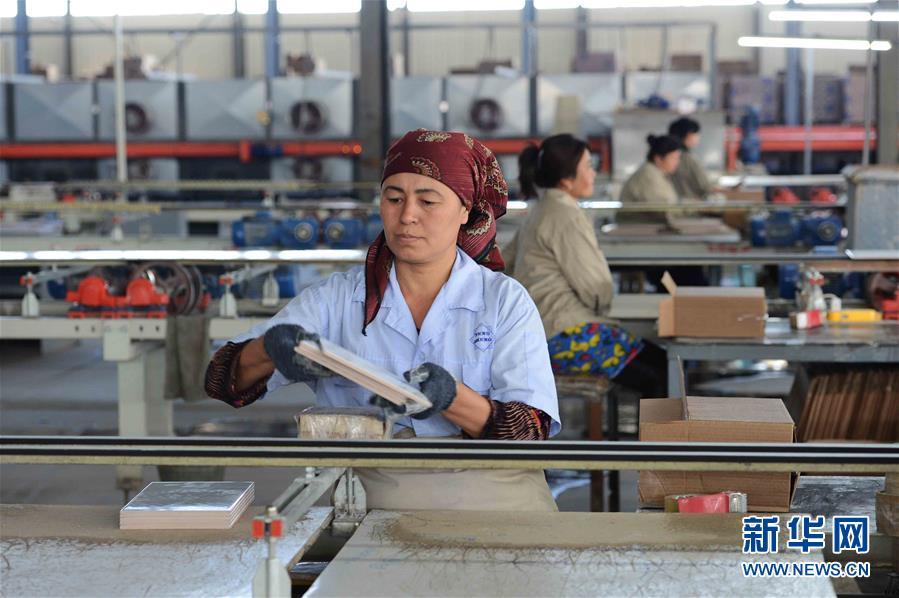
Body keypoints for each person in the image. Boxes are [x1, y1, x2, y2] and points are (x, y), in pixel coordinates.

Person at [205, 129, 560, 512]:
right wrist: (269, 351)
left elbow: (530, 430)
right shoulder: (336, 300)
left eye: (427, 201)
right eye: (394, 198)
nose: (407, 215)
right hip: (376, 501)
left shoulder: (503, 301)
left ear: (465, 211)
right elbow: (221, 381)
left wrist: (451, 398)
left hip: (498, 497)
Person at [503, 133, 668, 399]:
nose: (594, 173)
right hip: (563, 335)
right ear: (567, 179)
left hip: (541, 330)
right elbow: (595, 287)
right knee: (661, 372)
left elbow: (505, 262)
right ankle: (659, 427)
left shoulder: (542, 209)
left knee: (655, 361)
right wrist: (603, 308)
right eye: (589, 166)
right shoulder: (566, 214)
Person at [617, 134, 681, 226]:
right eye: (673, 158)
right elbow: (662, 207)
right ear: (658, 159)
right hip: (636, 228)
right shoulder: (647, 174)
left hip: (649, 227)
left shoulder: (659, 174)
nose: (677, 162)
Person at [668, 116, 713, 200]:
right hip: (691, 204)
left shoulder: (668, 156)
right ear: (688, 135)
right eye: (696, 134)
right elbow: (706, 186)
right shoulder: (688, 158)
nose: (698, 138)